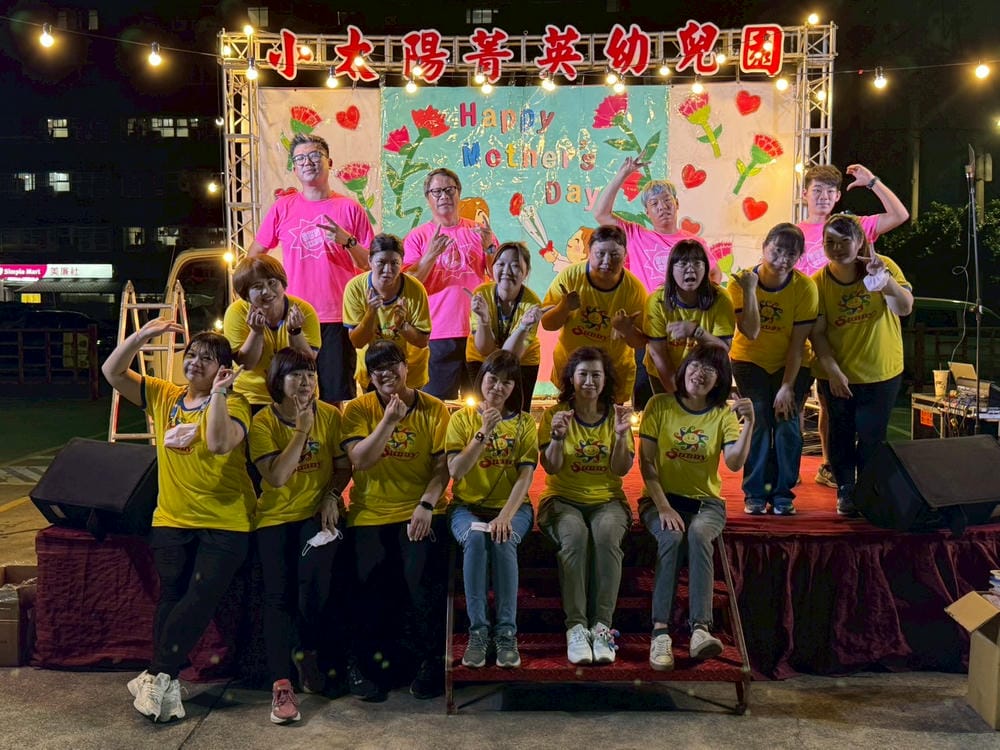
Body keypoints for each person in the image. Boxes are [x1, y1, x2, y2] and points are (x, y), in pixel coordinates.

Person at [102, 321, 255, 723]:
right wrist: (140, 338)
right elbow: (112, 373)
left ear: (223, 369)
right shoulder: (164, 395)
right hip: (172, 517)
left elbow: (219, 443)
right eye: (191, 355)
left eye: (208, 358)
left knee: (200, 596)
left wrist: (218, 394)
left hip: (225, 521)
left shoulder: (236, 404)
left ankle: (158, 674)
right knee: (172, 594)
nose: (195, 363)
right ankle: (164, 680)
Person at [340, 340, 451, 700]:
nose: (385, 374)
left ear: (406, 366)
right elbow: (361, 459)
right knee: (366, 583)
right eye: (377, 369)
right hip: (370, 512)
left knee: (422, 581)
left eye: (392, 365)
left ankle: (432, 661)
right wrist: (388, 421)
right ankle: (365, 667)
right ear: (369, 376)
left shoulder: (434, 409)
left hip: (419, 509)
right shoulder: (358, 410)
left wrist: (427, 504)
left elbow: (442, 468)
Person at [249, 348, 351, 724]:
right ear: (278, 381)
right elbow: (277, 477)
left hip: (314, 515)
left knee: (315, 584)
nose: (306, 382)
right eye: (296, 375)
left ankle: (309, 656)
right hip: (275, 518)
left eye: (310, 374)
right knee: (278, 596)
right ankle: (282, 685)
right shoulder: (263, 422)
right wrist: (302, 430)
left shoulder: (330, 416)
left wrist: (331, 495)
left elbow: (343, 466)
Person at [638, 345, 754, 671]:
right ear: (684, 368)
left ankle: (700, 629)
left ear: (720, 379)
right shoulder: (659, 405)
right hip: (660, 500)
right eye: (695, 365)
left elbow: (734, 462)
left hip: (706, 504)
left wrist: (749, 424)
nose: (700, 374)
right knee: (671, 536)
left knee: (700, 534)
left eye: (710, 370)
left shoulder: (721, 415)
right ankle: (660, 632)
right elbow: (647, 464)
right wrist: (663, 508)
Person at [795, 163, 909, 488]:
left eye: (830, 191)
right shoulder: (795, 233)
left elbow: (899, 215)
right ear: (804, 194)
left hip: (862, 341)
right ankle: (813, 469)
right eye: (816, 190)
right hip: (814, 329)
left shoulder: (854, 226)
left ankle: (839, 473)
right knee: (816, 407)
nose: (823, 196)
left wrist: (872, 182)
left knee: (855, 422)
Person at [248, 133, 375, 404]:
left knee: (334, 397)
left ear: (330, 162)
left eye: (315, 155)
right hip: (292, 315)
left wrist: (347, 240)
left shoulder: (350, 208)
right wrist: (266, 295)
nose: (308, 162)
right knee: (290, 395)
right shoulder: (283, 208)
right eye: (300, 158)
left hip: (336, 316)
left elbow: (369, 263)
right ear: (294, 168)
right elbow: (255, 254)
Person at [593, 158, 722, 409]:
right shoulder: (636, 235)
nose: (662, 207)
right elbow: (601, 214)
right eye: (654, 204)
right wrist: (623, 174)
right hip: (648, 329)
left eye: (667, 201)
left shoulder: (693, 243)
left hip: (684, 330)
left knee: (688, 393)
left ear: (677, 204)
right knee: (648, 400)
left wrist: (701, 309)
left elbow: (714, 275)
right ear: (647, 212)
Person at [809, 214, 913, 516]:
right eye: (830, 242)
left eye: (845, 241)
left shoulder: (884, 265)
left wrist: (885, 281)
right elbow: (818, 334)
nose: (837, 248)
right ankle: (845, 489)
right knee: (840, 433)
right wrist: (833, 372)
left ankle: (868, 492)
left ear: (860, 242)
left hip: (881, 370)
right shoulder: (818, 283)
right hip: (837, 373)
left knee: (871, 436)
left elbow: (904, 308)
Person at [537, 347, 634, 665]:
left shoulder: (617, 416)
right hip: (562, 499)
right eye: (583, 374)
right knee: (575, 537)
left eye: (596, 375)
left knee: (606, 536)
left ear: (606, 380)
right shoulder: (555, 415)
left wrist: (621, 437)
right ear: (571, 378)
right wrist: (556, 438)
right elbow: (551, 467)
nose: (589, 381)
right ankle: (576, 627)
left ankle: (602, 626)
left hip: (608, 500)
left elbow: (621, 469)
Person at [447, 350, 538, 669]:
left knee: (503, 538)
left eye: (506, 382)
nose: (498, 387)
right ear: (481, 379)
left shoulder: (525, 423)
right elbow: (456, 470)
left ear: (515, 387)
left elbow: (525, 477)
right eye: (493, 379)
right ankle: (478, 633)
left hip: (513, 508)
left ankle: (506, 633)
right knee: (475, 538)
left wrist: (505, 516)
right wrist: (483, 431)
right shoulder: (461, 420)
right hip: (466, 508)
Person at [729, 224, 818, 516]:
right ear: (764, 246)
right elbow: (750, 331)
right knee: (758, 421)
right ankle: (755, 493)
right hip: (749, 361)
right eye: (777, 251)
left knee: (786, 425)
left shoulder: (805, 287)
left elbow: (798, 344)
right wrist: (750, 290)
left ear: (799, 256)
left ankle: (782, 494)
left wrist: (787, 386)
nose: (782, 259)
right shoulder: (741, 282)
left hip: (791, 363)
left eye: (791, 254)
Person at [404, 168, 497, 400]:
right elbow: (410, 285)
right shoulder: (417, 237)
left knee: (479, 404)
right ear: (428, 198)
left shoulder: (478, 231)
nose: (443, 196)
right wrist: (431, 255)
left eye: (449, 190)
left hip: (477, 331)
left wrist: (489, 246)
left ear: (459, 193)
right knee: (436, 404)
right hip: (437, 333)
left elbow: (497, 276)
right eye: (436, 192)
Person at [541, 224, 647, 405]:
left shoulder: (634, 289)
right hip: (571, 372)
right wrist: (564, 307)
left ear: (625, 256)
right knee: (568, 420)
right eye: (600, 254)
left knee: (608, 422)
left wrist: (627, 330)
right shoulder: (570, 277)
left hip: (613, 375)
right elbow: (547, 324)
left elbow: (641, 342)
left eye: (614, 255)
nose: (607, 261)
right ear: (589, 252)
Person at [224, 255, 320, 411]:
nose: (266, 291)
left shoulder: (304, 310)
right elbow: (246, 364)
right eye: (257, 286)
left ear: (283, 284)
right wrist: (256, 332)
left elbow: (307, 364)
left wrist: (295, 332)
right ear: (246, 295)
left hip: (298, 395)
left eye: (272, 282)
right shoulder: (236, 312)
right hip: (253, 397)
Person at [644, 239, 736, 394]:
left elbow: (723, 349)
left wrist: (696, 332)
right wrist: (677, 394)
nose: (690, 269)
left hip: (703, 374)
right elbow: (658, 354)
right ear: (671, 270)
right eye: (682, 264)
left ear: (706, 269)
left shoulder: (721, 298)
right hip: (665, 373)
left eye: (697, 263)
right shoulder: (656, 301)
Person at [342, 233, 431, 391]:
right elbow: (357, 342)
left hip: (409, 373)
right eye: (381, 262)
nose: (388, 270)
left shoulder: (415, 289)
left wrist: (402, 325)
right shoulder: (355, 288)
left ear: (402, 263)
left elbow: (422, 342)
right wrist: (371, 313)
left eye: (394, 263)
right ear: (370, 261)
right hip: (373, 372)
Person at [467, 241, 545, 409]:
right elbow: (484, 349)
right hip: (481, 358)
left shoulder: (532, 304)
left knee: (515, 412)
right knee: (480, 411)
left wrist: (523, 326)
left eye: (515, 266)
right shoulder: (481, 294)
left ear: (526, 272)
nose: (506, 271)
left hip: (521, 360)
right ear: (493, 267)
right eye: (501, 264)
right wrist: (484, 320)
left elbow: (511, 356)